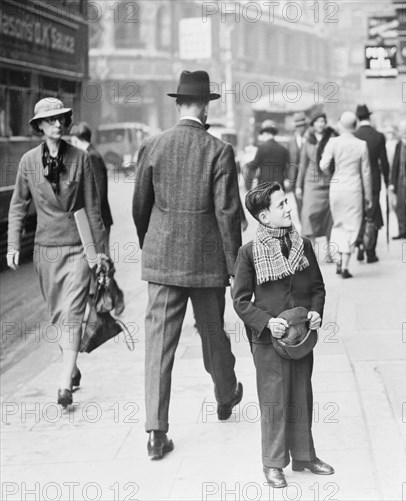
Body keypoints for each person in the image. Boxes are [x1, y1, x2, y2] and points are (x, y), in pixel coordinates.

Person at [132, 70, 243, 460]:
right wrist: (234, 267)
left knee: (159, 345)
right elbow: (228, 214)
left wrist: (154, 244)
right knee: (213, 333)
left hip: (163, 262)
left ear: (178, 103)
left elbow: (140, 207)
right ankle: (226, 393)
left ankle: (155, 433)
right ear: (207, 105)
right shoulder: (219, 150)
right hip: (208, 261)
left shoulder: (153, 145)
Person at [232, 182, 334, 488]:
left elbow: (317, 288)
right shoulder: (249, 253)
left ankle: (304, 456)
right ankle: (273, 463)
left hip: (301, 338)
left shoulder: (302, 245)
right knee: (275, 401)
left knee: (302, 394)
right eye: (281, 205)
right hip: (268, 342)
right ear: (264, 217)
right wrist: (266, 322)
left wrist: (316, 312)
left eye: (286, 201)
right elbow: (239, 300)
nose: (289, 208)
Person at [6, 97, 106, 407]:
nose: (58, 124)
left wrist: (100, 254)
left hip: (77, 247)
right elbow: (19, 205)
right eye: (51, 120)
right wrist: (12, 243)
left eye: (62, 118)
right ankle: (72, 367)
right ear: (39, 126)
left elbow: (93, 208)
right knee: (58, 315)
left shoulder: (81, 158)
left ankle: (63, 384)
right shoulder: (27, 162)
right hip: (45, 250)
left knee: (72, 313)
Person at [319, 111, 373, 278]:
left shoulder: (333, 142)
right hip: (354, 189)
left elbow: (323, 164)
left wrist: (331, 172)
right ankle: (345, 266)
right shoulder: (361, 145)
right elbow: (366, 173)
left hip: (336, 187)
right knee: (352, 225)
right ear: (355, 125)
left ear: (341, 125)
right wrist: (368, 197)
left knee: (338, 224)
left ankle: (338, 260)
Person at [296, 112, 336, 262]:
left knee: (329, 219)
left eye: (323, 121)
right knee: (308, 216)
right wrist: (298, 186)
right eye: (318, 121)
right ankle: (310, 254)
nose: (321, 124)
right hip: (311, 184)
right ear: (313, 124)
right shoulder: (308, 140)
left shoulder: (332, 138)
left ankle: (328, 254)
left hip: (328, 181)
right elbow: (302, 163)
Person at [70, 122, 113, 253]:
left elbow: (98, 191)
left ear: (77, 141)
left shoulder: (91, 156)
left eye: (73, 142)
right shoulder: (92, 154)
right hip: (99, 218)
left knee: (102, 259)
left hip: (98, 220)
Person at [354, 104, 390, 263]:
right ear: (369, 117)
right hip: (374, 182)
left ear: (357, 118)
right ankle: (371, 251)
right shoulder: (378, 136)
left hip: (356, 181)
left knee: (358, 214)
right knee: (372, 214)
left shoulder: (353, 136)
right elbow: (384, 162)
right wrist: (388, 181)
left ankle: (359, 243)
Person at [245, 120, 290, 187]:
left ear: (266, 134)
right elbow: (288, 166)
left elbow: (254, 165)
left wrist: (247, 165)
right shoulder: (283, 149)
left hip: (264, 186)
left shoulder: (262, 148)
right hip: (279, 186)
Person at [287, 111, 309, 216]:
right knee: (299, 207)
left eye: (302, 125)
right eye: (297, 126)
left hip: (309, 179)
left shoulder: (310, 138)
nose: (300, 128)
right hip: (295, 181)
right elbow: (290, 162)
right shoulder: (291, 141)